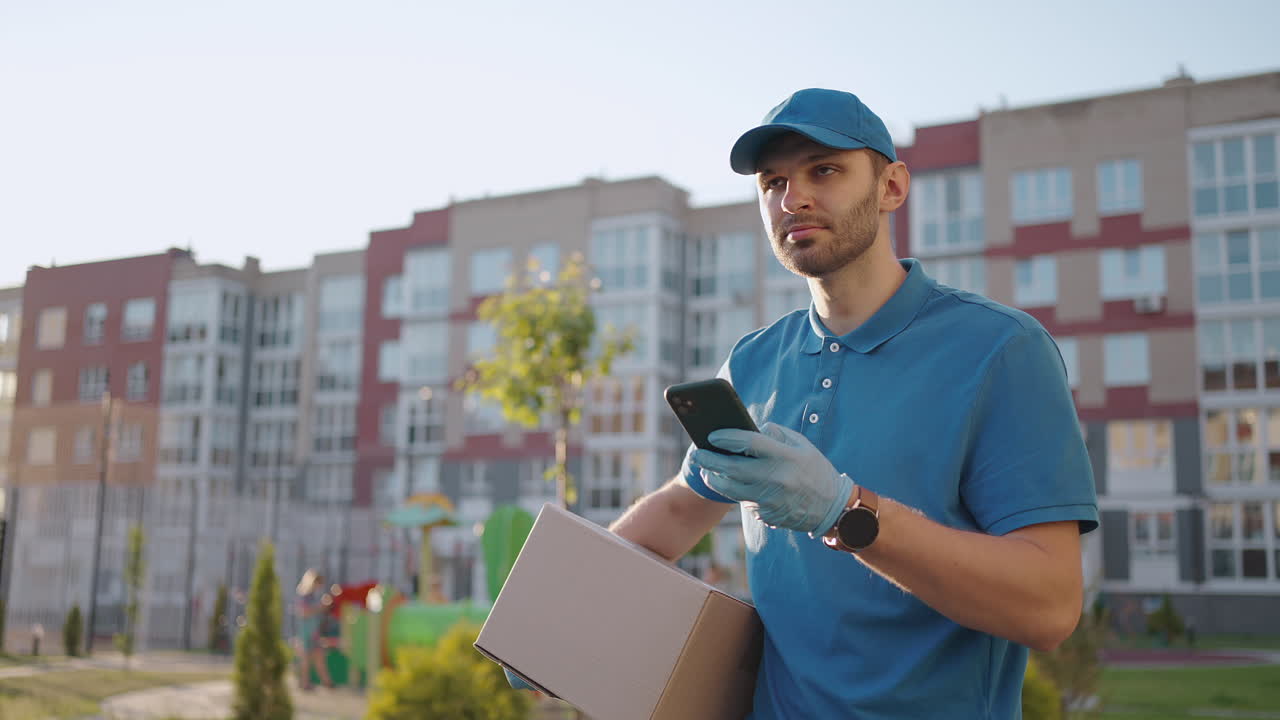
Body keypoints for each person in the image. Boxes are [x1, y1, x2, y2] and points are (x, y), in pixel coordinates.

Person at [601, 89, 1099, 718]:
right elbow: (679, 510)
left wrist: (845, 512)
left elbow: (1050, 609)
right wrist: (558, 607)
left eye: (825, 170)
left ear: (892, 187)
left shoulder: (1001, 350)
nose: (793, 198)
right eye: (773, 182)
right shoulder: (754, 361)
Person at [294, 568, 333, 691]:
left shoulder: (313, 596)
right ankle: (305, 683)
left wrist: (323, 606)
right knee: (306, 658)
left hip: (314, 631)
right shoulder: (305, 596)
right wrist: (320, 607)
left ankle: (326, 682)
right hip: (306, 632)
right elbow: (303, 612)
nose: (319, 586)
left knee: (318, 656)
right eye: (318, 583)